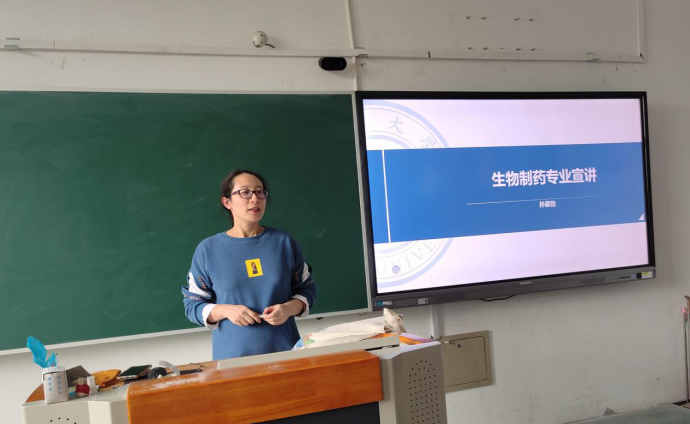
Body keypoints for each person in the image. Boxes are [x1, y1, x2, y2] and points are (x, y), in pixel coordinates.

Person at [181, 169, 317, 360]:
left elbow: (307, 290)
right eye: (245, 192)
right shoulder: (208, 250)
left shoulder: (283, 242)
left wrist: (287, 309)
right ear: (227, 202)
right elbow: (193, 305)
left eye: (259, 192)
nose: (255, 199)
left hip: (287, 354)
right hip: (233, 361)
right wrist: (227, 310)